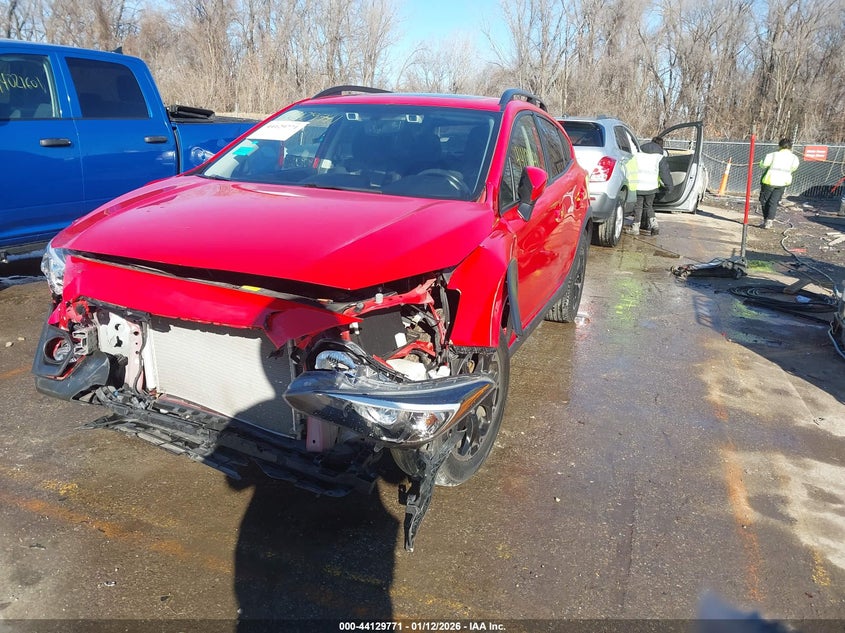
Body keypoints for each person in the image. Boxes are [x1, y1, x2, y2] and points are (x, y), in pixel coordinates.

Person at [624, 136, 672, 236]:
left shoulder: (638, 153)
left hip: (639, 185)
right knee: (649, 206)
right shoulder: (659, 157)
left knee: (638, 207)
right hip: (652, 187)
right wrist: (669, 187)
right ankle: (654, 225)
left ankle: (635, 228)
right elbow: (665, 173)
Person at [758, 138, 800, 229]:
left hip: (769, 181)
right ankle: (770, 222)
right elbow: (793, 168)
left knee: (764, 201)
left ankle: (765, 220)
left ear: (779, 146)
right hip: (783, 182)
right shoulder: (794, 158)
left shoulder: (772, 155)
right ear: (790, 147)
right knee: (773, 202)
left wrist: (761, 162)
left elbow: (763, 165)